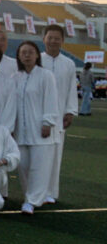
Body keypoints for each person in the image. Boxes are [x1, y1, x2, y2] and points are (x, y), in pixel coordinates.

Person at [12, 40, 58, 214]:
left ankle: (32, 201)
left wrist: (48, 122)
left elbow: (51, 100)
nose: (27, 55)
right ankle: (29, 195)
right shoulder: (16, 77)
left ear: (37, 55)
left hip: (40, 130)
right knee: (23, 166)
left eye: (30, 52)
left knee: (39, 167)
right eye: (23, 52)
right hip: (21, 131)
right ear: (19, 56)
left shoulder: (46, 75)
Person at [41, 24, 78, 204]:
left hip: (59, 118)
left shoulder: (69, 63)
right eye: (50, 37)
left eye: (57, 38)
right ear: (44, 39)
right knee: (37, 157)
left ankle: (50, 193)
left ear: (62, 41)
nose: (53, 41)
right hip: (38, 116)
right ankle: (34, 191)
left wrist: (70, 111)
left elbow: (72, 89)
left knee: (55, 156)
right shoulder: (37, 60)